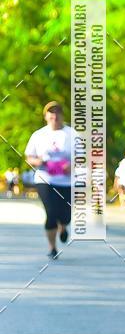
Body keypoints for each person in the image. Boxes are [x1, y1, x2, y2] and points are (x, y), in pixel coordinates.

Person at [25, 101, 73, 259]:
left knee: (66, 215)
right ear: (45, 116)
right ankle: (52, 248)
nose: (55, 115)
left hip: (67, 181)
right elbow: (29, 157)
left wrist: (71, 165)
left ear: (62, 115)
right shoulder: (39, 135)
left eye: (58, 112)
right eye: (51, 112)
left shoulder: (72, 134)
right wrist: (40, 162)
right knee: (51, 213)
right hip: (45, 179)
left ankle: (63, 226)